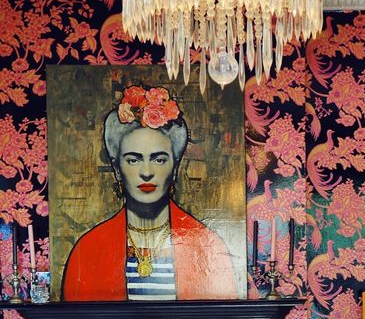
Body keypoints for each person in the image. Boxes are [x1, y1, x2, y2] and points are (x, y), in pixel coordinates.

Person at [61, 84, 237, 301]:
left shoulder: (208, 245)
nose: (146, 172)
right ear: (117, 168)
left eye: (159, 159)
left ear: (175, 167)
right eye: (133, 160)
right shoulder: (88, 250)